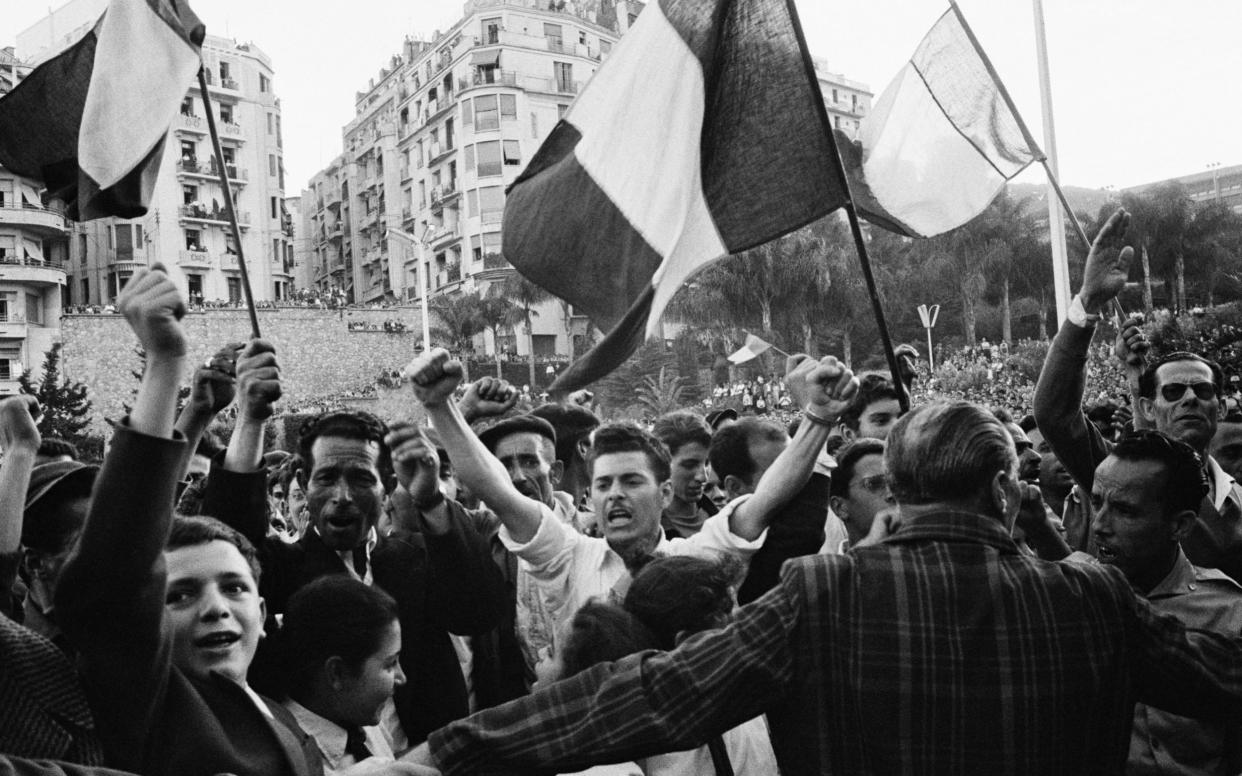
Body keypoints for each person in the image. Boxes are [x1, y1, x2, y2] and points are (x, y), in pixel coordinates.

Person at [409, 400, 1242, 775]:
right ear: (1006, 493)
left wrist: (451, 752)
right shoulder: (1092, 597)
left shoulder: (823, 594)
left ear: (901, 490)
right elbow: (1221, 681)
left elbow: (652, 695)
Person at [405, 347, 857, 680]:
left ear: (663, 493)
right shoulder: (570, 555)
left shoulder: (697, 558)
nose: (614, 496)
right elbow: (497, 491)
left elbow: (767, 499)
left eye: (631, 481)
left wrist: (818, 416)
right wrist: (441, 408)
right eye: (603, 484)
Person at [201, 358, 507, 750]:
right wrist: (251, 419)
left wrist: (430, 501)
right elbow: (227, 541)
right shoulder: (279, 572)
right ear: (303, 484)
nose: (342, 498)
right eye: (326, 478)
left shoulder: (414, 564)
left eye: (361, 478)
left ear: (389, 485)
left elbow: (477, 611)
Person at [1035, 208, 1242, 583]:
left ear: (1222, 405)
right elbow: (1055, 414)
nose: (1190, 398)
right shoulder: (1118, 473)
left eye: (1203, 389)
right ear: (1148, 405)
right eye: (1174, 390)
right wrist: (1087, 305)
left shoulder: (1237, 502)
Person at [1081, 430, 1242, 774]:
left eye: (1125, 510)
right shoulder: (1071, 600)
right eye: (1096, 502)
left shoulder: (1229, 612)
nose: (1099, 525)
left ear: (1180, 525)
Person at [279, 576, 407, 773]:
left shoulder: (363, 720)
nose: (401, 678)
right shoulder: (286, 760)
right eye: (390, 664)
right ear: (337, 673)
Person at [707, 416, 835, 603]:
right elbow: (803, 533)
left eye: (797, 464)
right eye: (780, 472)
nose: (799, 476)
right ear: (735, 487)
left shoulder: (830, 508)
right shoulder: (733, 558)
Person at [651, 411, 712, 539]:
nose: (703, 477)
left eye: (706, 463)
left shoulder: (725, 520)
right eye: (690, 465)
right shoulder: (645, 531)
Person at [826, 439, 892, 549]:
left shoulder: (927, 561)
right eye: (875, 484)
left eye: (898, 482)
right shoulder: (827, 565)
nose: (892, 494)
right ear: (840, 507)